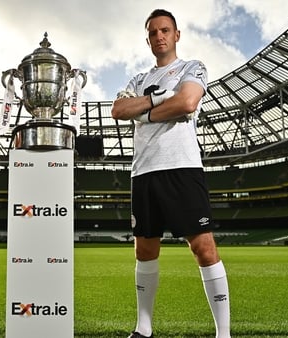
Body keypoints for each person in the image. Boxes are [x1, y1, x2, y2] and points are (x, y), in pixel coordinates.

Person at [111, 9, 231, 338]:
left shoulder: (192, 68)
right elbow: (119, 110)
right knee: (145, 250)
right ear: (148, 39)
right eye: (153, 32)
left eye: (165, 30)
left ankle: (224, 333)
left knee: (203, 247)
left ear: (176, 35)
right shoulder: (137, 80)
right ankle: (143, 328)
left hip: (182, 167)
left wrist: (146, 114)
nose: (159, 36)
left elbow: (188, 102)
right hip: (144, 173)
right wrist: (158, 97)